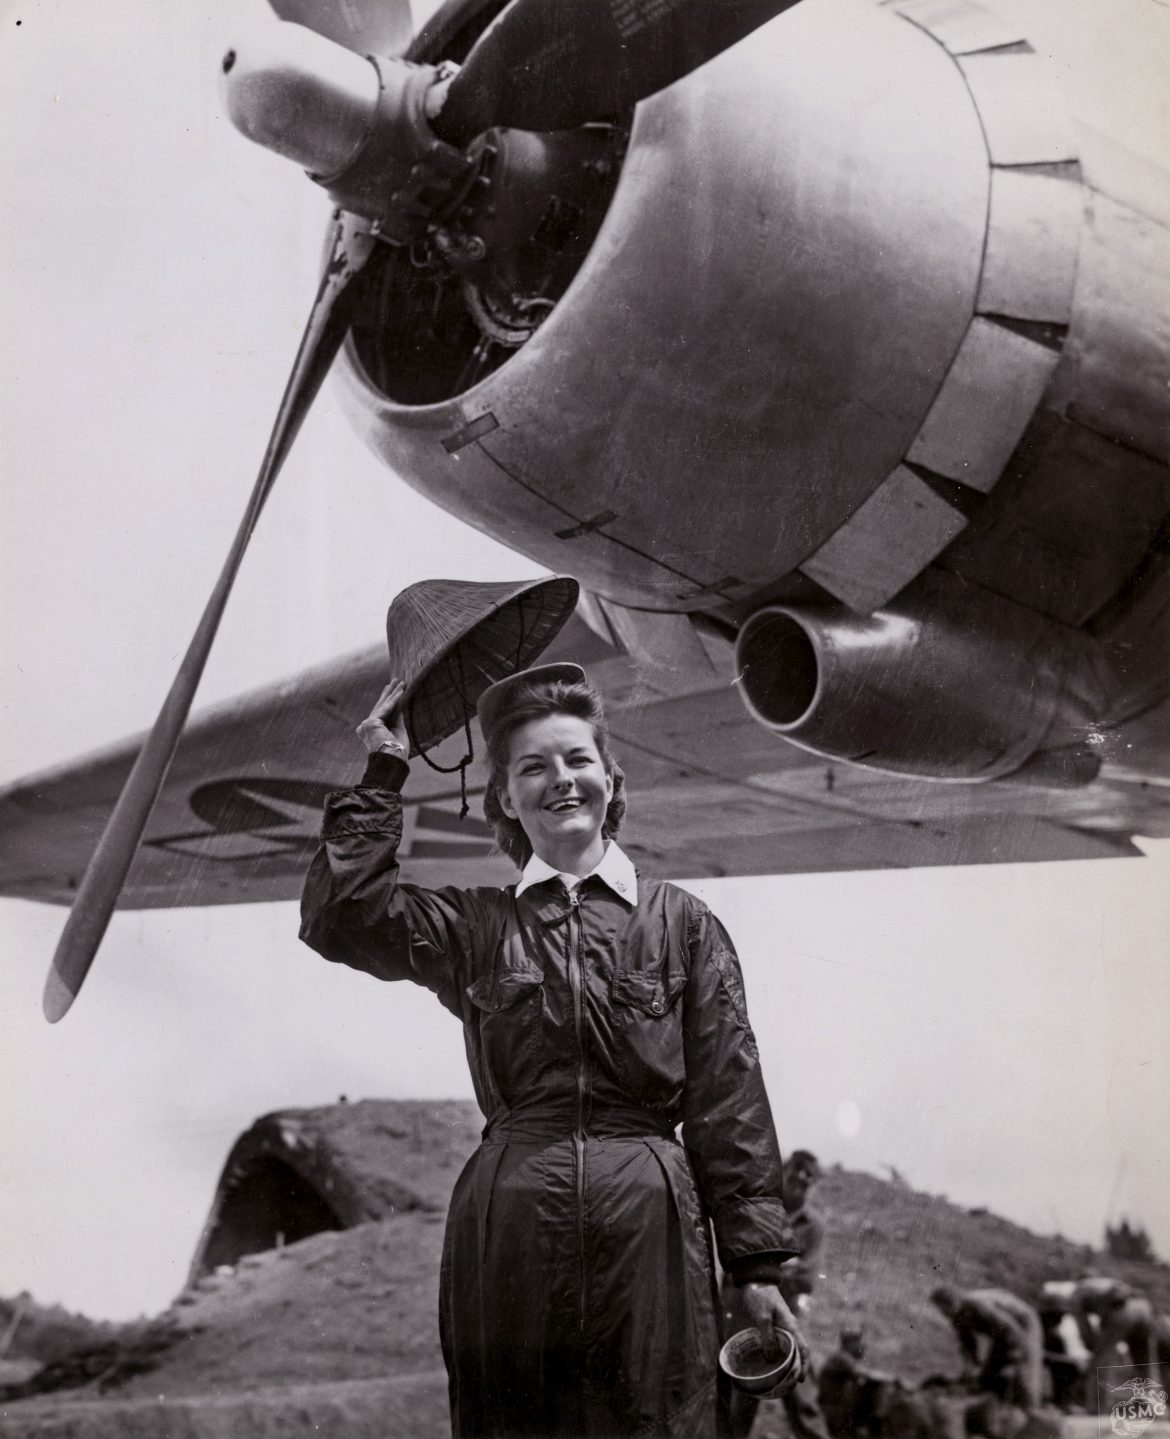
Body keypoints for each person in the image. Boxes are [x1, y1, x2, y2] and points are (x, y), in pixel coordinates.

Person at [299, 663, 809, 1437]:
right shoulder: (476, 927)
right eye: (532, 767)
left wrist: (758, 1267)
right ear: (504, 797)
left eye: (577, 759)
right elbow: (343, 915)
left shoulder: (685, 925)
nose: (560, 779)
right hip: (509, 1237)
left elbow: (729, 1101)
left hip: (651, 1232)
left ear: (611, 776)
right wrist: (384, 769)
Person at [718, 1149, 831, 1438]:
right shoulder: (762, 1206)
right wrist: (787, 1263)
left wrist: (763, 1262)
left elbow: (807, 1278)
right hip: (741, 1319)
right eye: (798, 1169)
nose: (802, 1178)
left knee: (804, 1398)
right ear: (785, 1170)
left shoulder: (814, 1226)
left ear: (815, 1182)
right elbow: (735, 1260)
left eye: (810, 1174)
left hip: (786, 1322)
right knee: (737, 1404)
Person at [930, 1285, 1045, 1412]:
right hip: (1000, 1332)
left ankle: (1032, 1410)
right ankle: (993, 1408)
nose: (944, 1314)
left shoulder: (977, 1305)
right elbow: (967, 1344)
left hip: (1022, 1320)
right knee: (989, 1373)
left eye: (945, 1309)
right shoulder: (956, 1316)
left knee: (1025, 1367)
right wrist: (970, 1367)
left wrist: (1015, 1354)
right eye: (941, 1311)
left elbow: (1009, 1327)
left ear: (953, 1302)